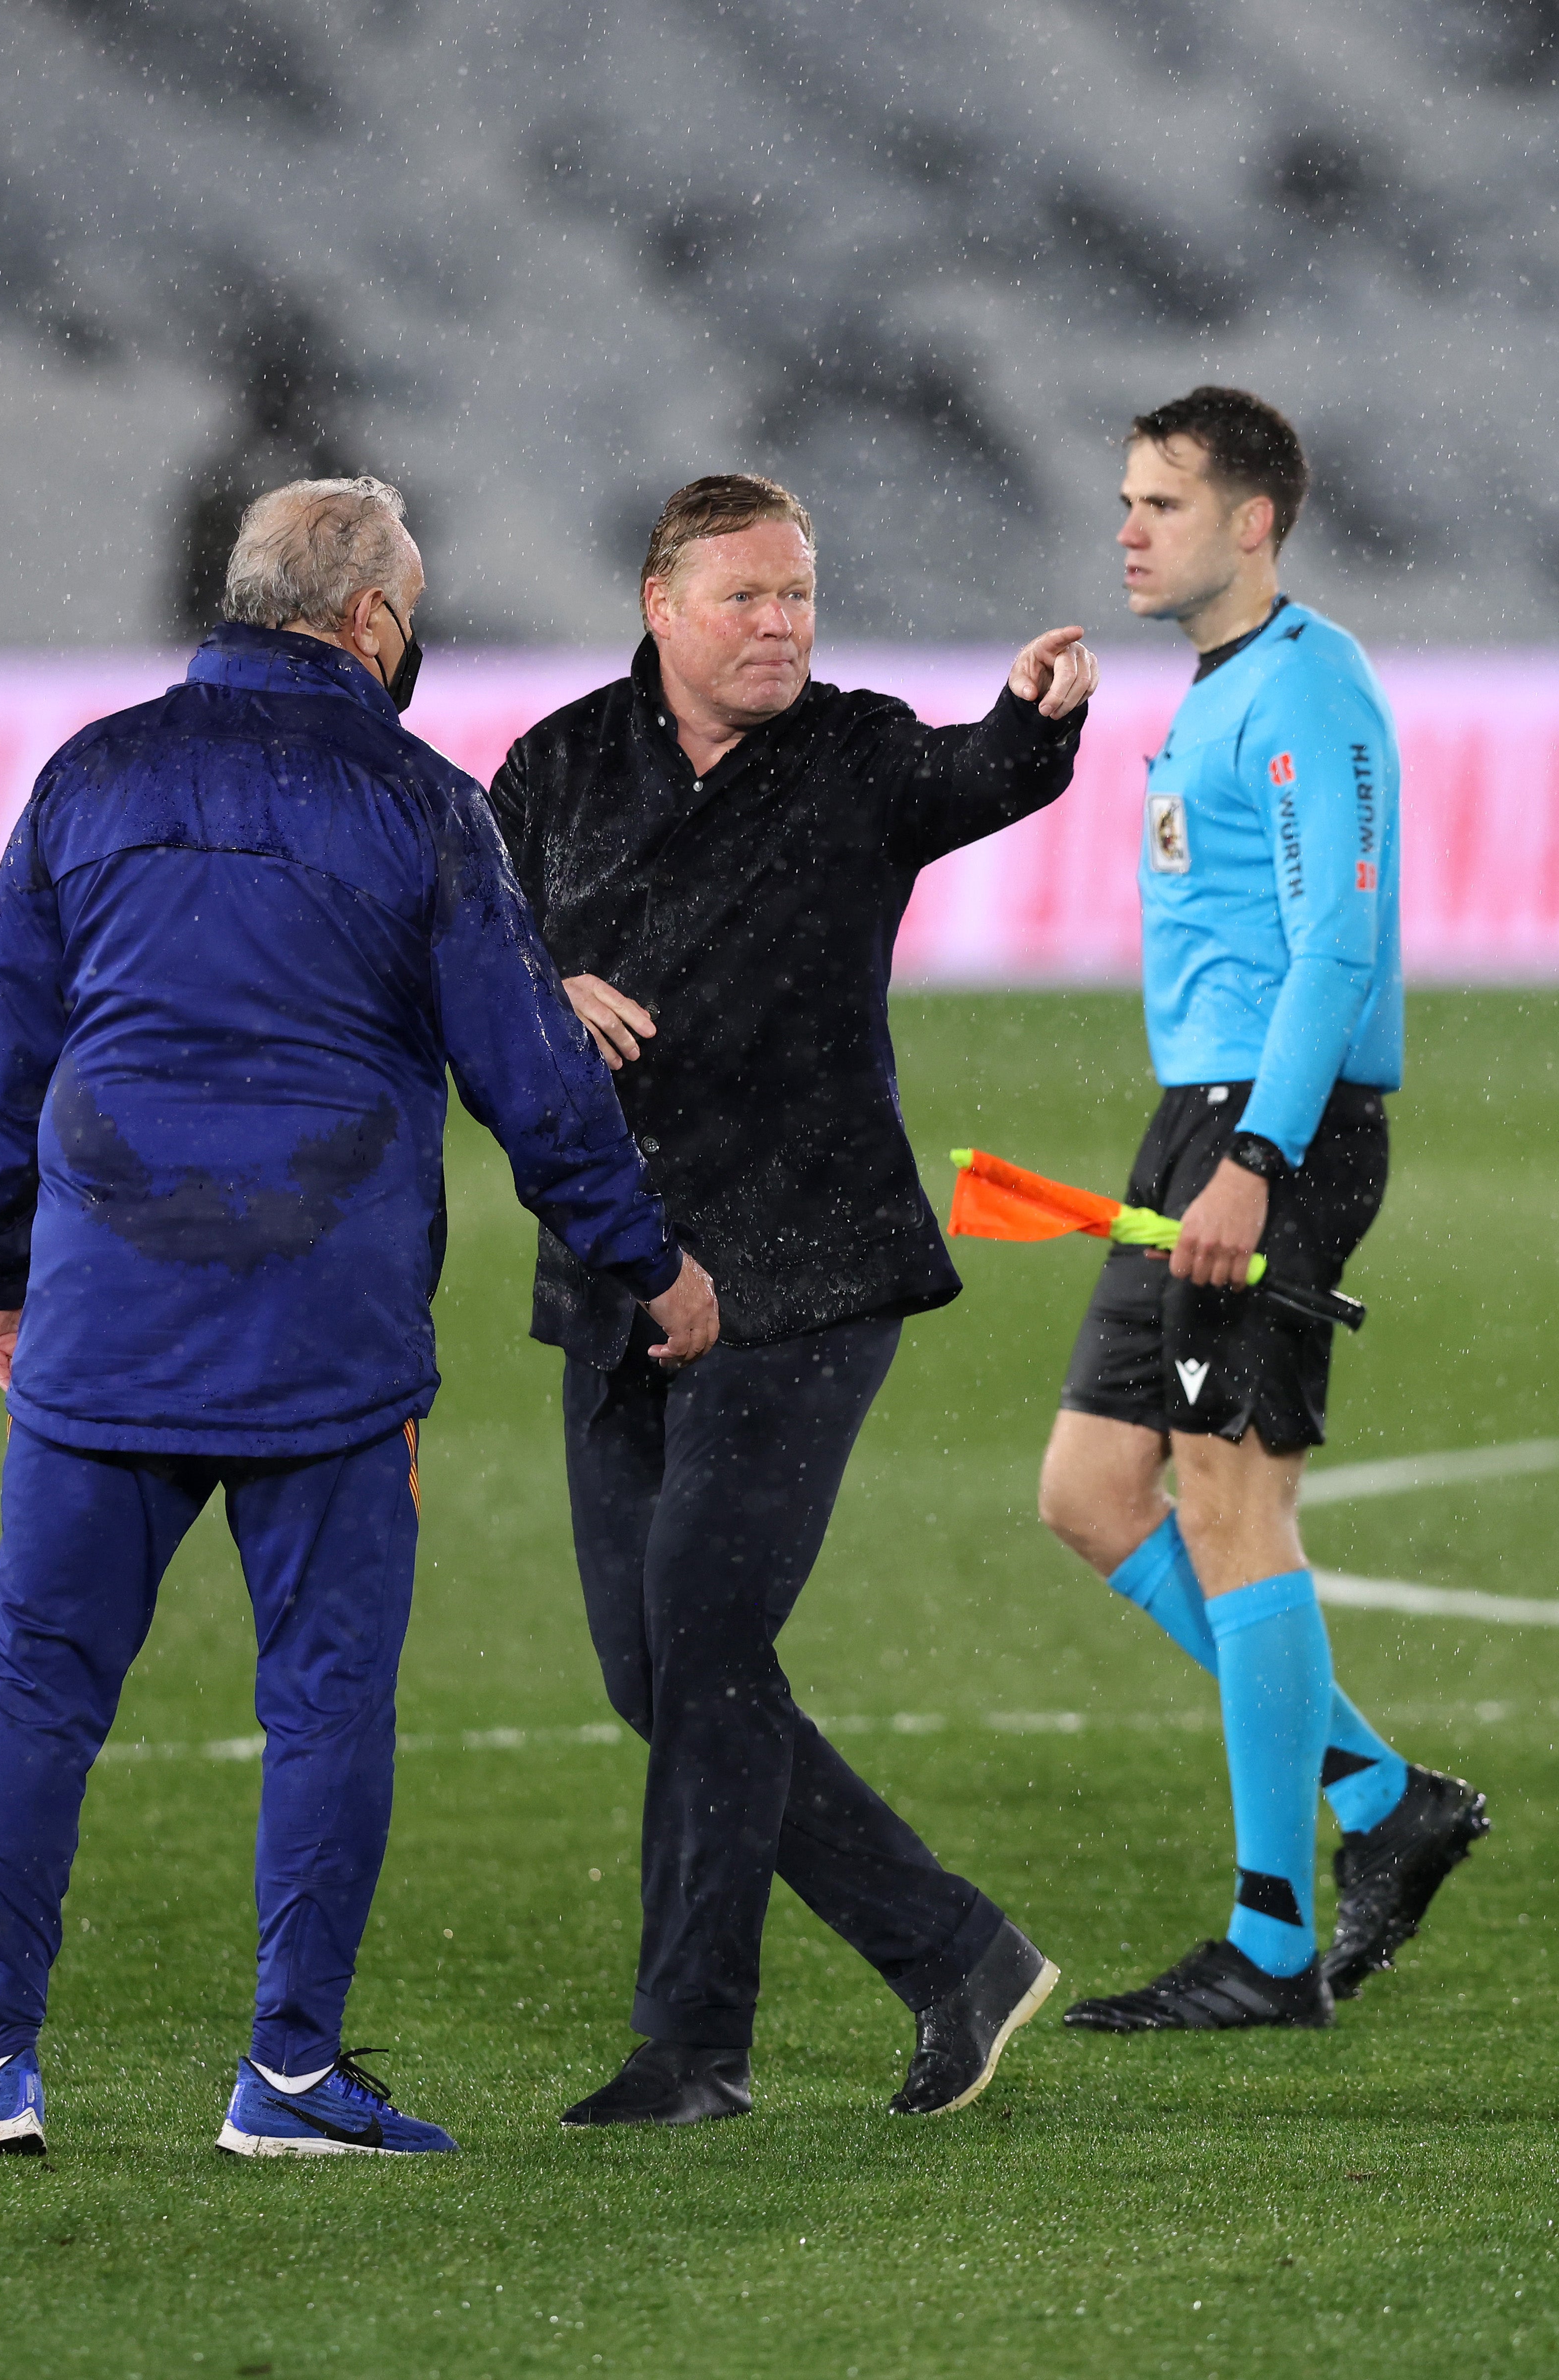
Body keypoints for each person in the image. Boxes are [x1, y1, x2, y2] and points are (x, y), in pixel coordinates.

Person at [0, 478, 712, 2158]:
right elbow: (535, 1083)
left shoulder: (88, 776)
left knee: (35, 1686)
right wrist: (649, 1259)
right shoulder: (421, 804)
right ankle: (293, 2076)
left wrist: (2, 1271)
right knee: (324, 1699)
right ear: (375, 623)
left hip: (104, 1317)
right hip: (326, 1333)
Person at [489, 473, 1093, 2127]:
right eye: (747, 598)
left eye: (800, 598)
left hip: (804, 1270)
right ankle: (952, 1948)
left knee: (703, 1634)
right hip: (617, 1273)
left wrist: (1036, 722)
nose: (780, 628)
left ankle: (694, 2046)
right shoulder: (552, 768)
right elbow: (459, 957)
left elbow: (983, 774)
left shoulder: (858, 751)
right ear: (658, 602)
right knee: (655, 1668)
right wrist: (543, 988)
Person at [1037, 386, 1486, 2037]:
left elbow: (1337, 947)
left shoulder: (1311, 688)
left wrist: (1261, 1158)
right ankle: (1379, 1795)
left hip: (1265, 1134)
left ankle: (1273, 1936)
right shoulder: (1221, 692)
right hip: (1199, 1121)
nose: (1128, 527)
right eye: (1127, 497)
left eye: (1160, 501)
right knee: (1094, 1490)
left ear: (1254, 523)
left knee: (1234, 1508)